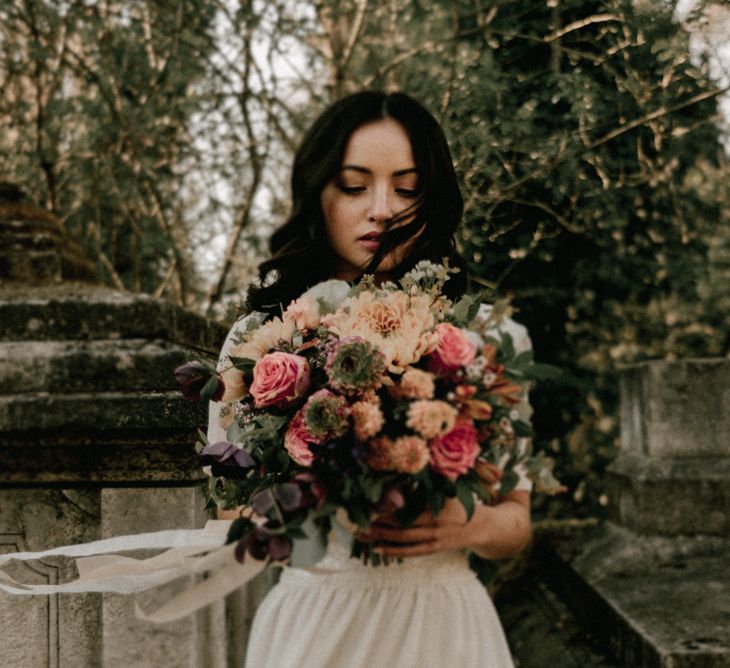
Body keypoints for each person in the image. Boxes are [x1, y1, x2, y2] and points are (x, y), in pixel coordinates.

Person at [207, 91, 533, 668]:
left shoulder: (486, 338)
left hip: (445, 626)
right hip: (316, 626)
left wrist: (467, 524)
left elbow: (516, 521)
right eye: (355, 186)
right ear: (318, 193)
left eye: (407, 189)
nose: (382, 209)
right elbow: (230, 511)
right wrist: (305, 494)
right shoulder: (256, 341)